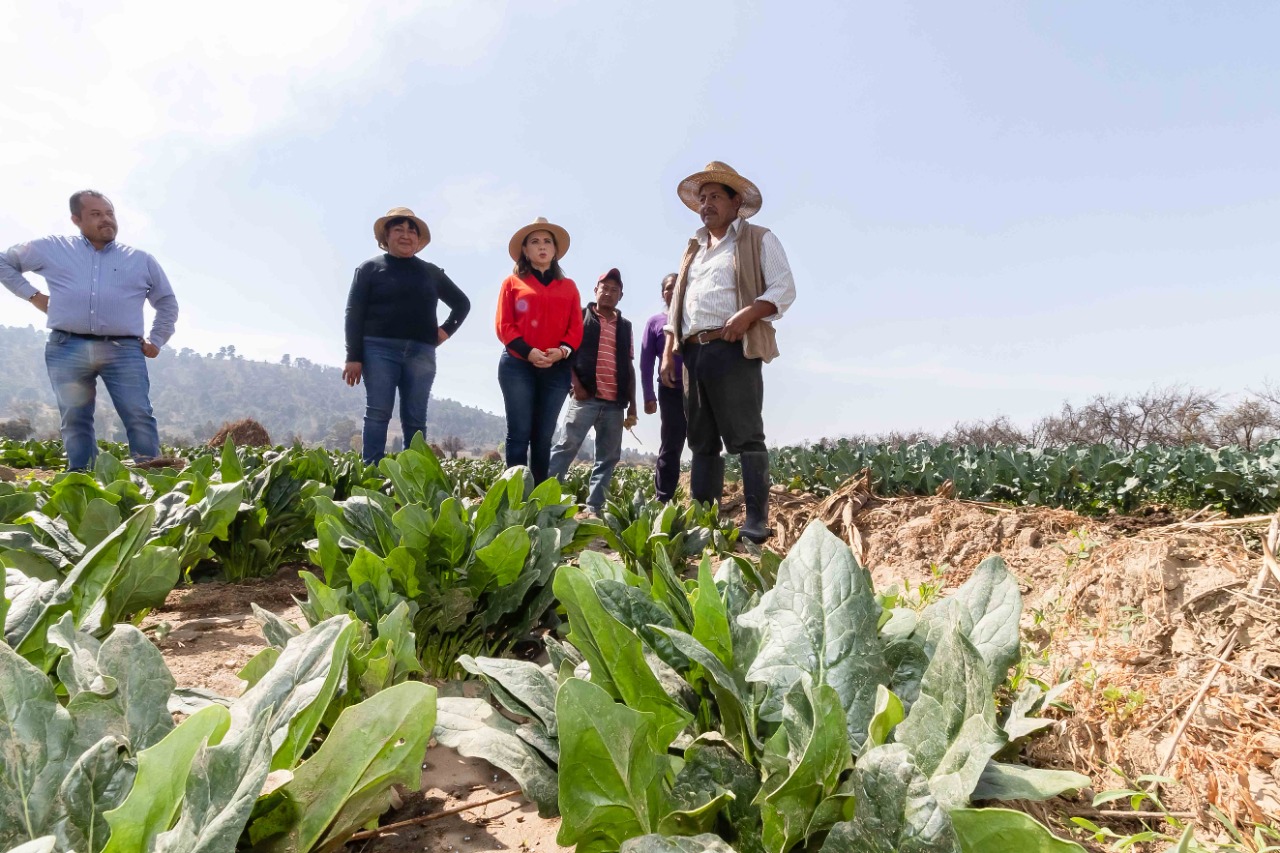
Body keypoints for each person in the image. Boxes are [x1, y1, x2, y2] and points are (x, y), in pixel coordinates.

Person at [660, 162, 796, 544]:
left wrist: (749, 313)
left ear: (736, 202)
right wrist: (671, 349)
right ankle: (704, 519)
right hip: (693, 352)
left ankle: (755, 520)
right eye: (702, 198)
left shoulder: (757, 238)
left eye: (716, 196)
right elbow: (679, 307)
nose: (707, 204)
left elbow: (783, 288)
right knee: (701, 440)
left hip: (733, 347)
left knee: (746, 437)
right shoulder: (693, 249)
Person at [0, 190, 179, 471]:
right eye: (96, 214)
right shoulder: (52, 248)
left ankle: (153, 478)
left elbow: (167, 303)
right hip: (66, 347)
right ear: (76, 219)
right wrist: (34, 296)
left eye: (109, 213)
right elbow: (4, 261)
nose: (106, 220)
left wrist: (157, 339)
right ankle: (82, 480)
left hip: (124, 350)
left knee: (138, 413)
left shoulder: (141, 260)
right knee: (75, 418)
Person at [343, 206, 470, 464]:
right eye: (398, 229)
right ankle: (372, 472)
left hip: (421, 354)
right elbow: (353, 314)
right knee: (378, 412)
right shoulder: (368, 269)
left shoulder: (431, 272)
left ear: (419, 240)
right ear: (386, 237)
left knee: (415, 418)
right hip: (378, 350)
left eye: (412, 231)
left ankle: (413, 475)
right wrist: (353, 356)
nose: (406, 235)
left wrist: (445, 331)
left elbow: (462, 304)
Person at [495, 217, 583, 483]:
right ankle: (515, 495)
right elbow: (504, 324)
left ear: (555, 250)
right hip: (517, 365)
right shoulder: (512, 283)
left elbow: (576, 328)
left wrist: (563, 351)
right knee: (519, 433)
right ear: (525, 250)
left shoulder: (569, 287)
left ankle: (539, 499)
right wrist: (528, 351)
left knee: (543, 437)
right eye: (534, 242)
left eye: (547, 242)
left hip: (556, 369)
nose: (542, 247)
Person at [549, 268, 638, 516]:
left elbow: (629, 366)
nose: (608, 293)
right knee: (566, 447)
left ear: (620, 296)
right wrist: (575, 384)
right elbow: (565, 353)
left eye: (614, 290)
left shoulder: (625, 326)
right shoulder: (579, 317)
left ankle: (594, 508)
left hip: (614, 403)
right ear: (595, 291)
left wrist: (633, 405)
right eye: (604, 288)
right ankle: (545, 502)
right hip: (584, 397)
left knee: (608, 457)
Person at [640, 273, 685, 503]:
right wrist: (649, 396)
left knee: (704, 442)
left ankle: (705, 499)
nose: (672, 291)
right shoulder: (654, 322)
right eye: (668, 287)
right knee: (671, 443)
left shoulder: (694, 318)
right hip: (670, 390)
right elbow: (646, 363)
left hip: (698, 389)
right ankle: (663, 498)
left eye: (676, 286)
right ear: (662, 293)